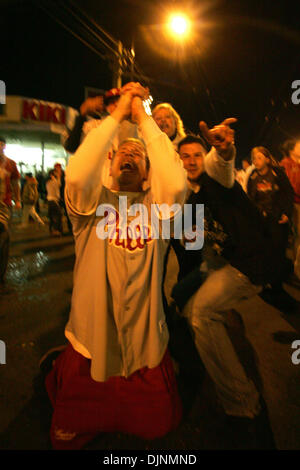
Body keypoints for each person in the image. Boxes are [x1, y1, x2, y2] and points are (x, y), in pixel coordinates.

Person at [43, 82, 187, 450]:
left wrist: (142, 117)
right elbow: (77, 175)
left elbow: (174, 182)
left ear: (147, 173)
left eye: (138, 155)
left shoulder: (160, 212)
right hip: (90, 346)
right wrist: (118, 114)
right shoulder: (89, 209)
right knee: (67, 439)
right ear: (109, 162)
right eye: (122, 150)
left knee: (158, 429)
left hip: (145, 350)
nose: (130, 155)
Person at [170, 123, 279, 448]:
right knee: (187, 304)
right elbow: (189, 241)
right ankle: (212, 351)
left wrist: (223, 149)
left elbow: (224, 164)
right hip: (227, 263)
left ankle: (244, 405)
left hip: (253, 264)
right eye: (185, 156)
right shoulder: (188, 200)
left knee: (201, 314)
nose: (191, 161)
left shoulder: (216, 178)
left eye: (197, 155)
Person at [0, 136, 21, 287]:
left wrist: (18, 200)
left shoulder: (10, 164)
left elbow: (15, 184)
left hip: (4, 206)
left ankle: (1, 275)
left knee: (3, 237)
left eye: (1, 145)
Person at [280, 139, 300, 279]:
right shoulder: (286, 164)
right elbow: (289, 187)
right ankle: (297, 268)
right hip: (295, 204)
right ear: (292, 150)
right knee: (298, 236)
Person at [46, 169, 63, 236]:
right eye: (56, 173)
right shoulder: (53, 181)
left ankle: (52, 230)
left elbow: (58, 184)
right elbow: (58, 186)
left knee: (52, 216)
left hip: (50, 200)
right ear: (52, 174)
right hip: (54, 200)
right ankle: (55, 231)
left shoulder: (48, 181)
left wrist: (58, 177)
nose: (58, 173)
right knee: (57, 216)